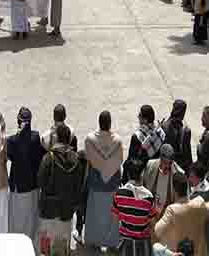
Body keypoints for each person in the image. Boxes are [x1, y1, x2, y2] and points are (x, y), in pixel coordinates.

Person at [38, 124, 82, 256]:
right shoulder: (76, 159)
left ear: (57, 138)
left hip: (49, 210)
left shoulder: (49, 158)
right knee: (63, 246)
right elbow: (78, 186)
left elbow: (40, 181)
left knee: (47, 247)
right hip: (66, 210)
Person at [83, 110, 123, 249]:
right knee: (112, 217)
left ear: (99, 123)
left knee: (95, 215)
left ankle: (94, 242)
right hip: (112, 184)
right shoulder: (117, 141)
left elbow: (89, 159)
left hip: (96, 183)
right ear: (110, 123)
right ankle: (111, 243)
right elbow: (119, 161)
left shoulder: (90, 140)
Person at [8, 107, 45, 248]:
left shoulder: (12, 140)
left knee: (16, 220)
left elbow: (11, 156)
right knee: (31, 220)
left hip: (18, 188)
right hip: (32, 187)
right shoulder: (36, 137)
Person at [113, 158, 158, 256]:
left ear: (128, 174)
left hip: (125, 244)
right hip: (143, 245)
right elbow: (152, 223)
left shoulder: (118, 194)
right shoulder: (148, 197)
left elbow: (115, 219)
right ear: (142, 174)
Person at [143, 144, 186, 210]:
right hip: (151, 209)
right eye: (165, 163)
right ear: (160, 159)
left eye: (170, 163)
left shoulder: (178, 173)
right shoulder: (150, 166)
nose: (167, 166)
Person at [161, 100, 192, 174]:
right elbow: (187, 154)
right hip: (179, 167)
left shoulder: (164, 126)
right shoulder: (186, 130)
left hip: (165, 165)